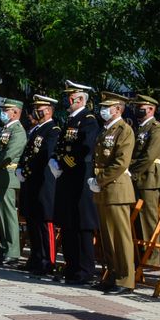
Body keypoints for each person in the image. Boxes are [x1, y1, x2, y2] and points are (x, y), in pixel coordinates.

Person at [50, 81, 100, 284]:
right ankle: (71, 268)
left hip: (79, 177)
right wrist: (56, 159)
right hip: (67, 179)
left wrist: (63, 162)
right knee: (68, 225)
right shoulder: (70, 120)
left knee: (82, 226)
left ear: (80, 99)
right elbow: (62, 146)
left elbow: (84, 150)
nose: (66, 101)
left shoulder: (88, 120)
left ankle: (85, 271)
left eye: (70, 98)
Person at [91, 92, 136, 293]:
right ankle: (111, 274)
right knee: (107, 237)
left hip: (117, 188)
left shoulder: (124, 130)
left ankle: (125, 279)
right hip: (104, 189)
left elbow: (120, 162)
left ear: (118, 109)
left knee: (120, 237)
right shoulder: (105, 131)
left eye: (107, 106)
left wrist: (99, 180)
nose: (103, 110)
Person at [19, 95, 60, 278]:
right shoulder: (37, 130)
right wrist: (22, 168)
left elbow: (46, 155)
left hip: (44, 182)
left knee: (45, 223)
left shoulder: (53, 129)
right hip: (31, 181)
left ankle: (48, 261)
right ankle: (35, 258)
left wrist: (28, 170)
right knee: (32, 221)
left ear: (49, 111)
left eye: (40, 108)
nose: (37, 111)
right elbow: (28, 153)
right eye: (36, 108)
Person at [128, 94, 160, 268]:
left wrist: (132, 170)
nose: (138, 109)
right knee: (136, 219)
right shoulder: (139, 129)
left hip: (149, 179)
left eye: (141, 107)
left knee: (148, 219)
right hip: (137, 178)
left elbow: (150, 155)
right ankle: (139, 254)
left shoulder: (156, 128)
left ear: (151, 109)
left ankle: (151, 257)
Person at [0, 98, 27, 266]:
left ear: (16, 112)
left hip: (7, 175)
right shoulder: (5, 129)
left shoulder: (18, 131)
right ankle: (2, 248)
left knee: (8, 214)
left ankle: (12, 251)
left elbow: (10, 153)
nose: (3, 113)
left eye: (6, 110)